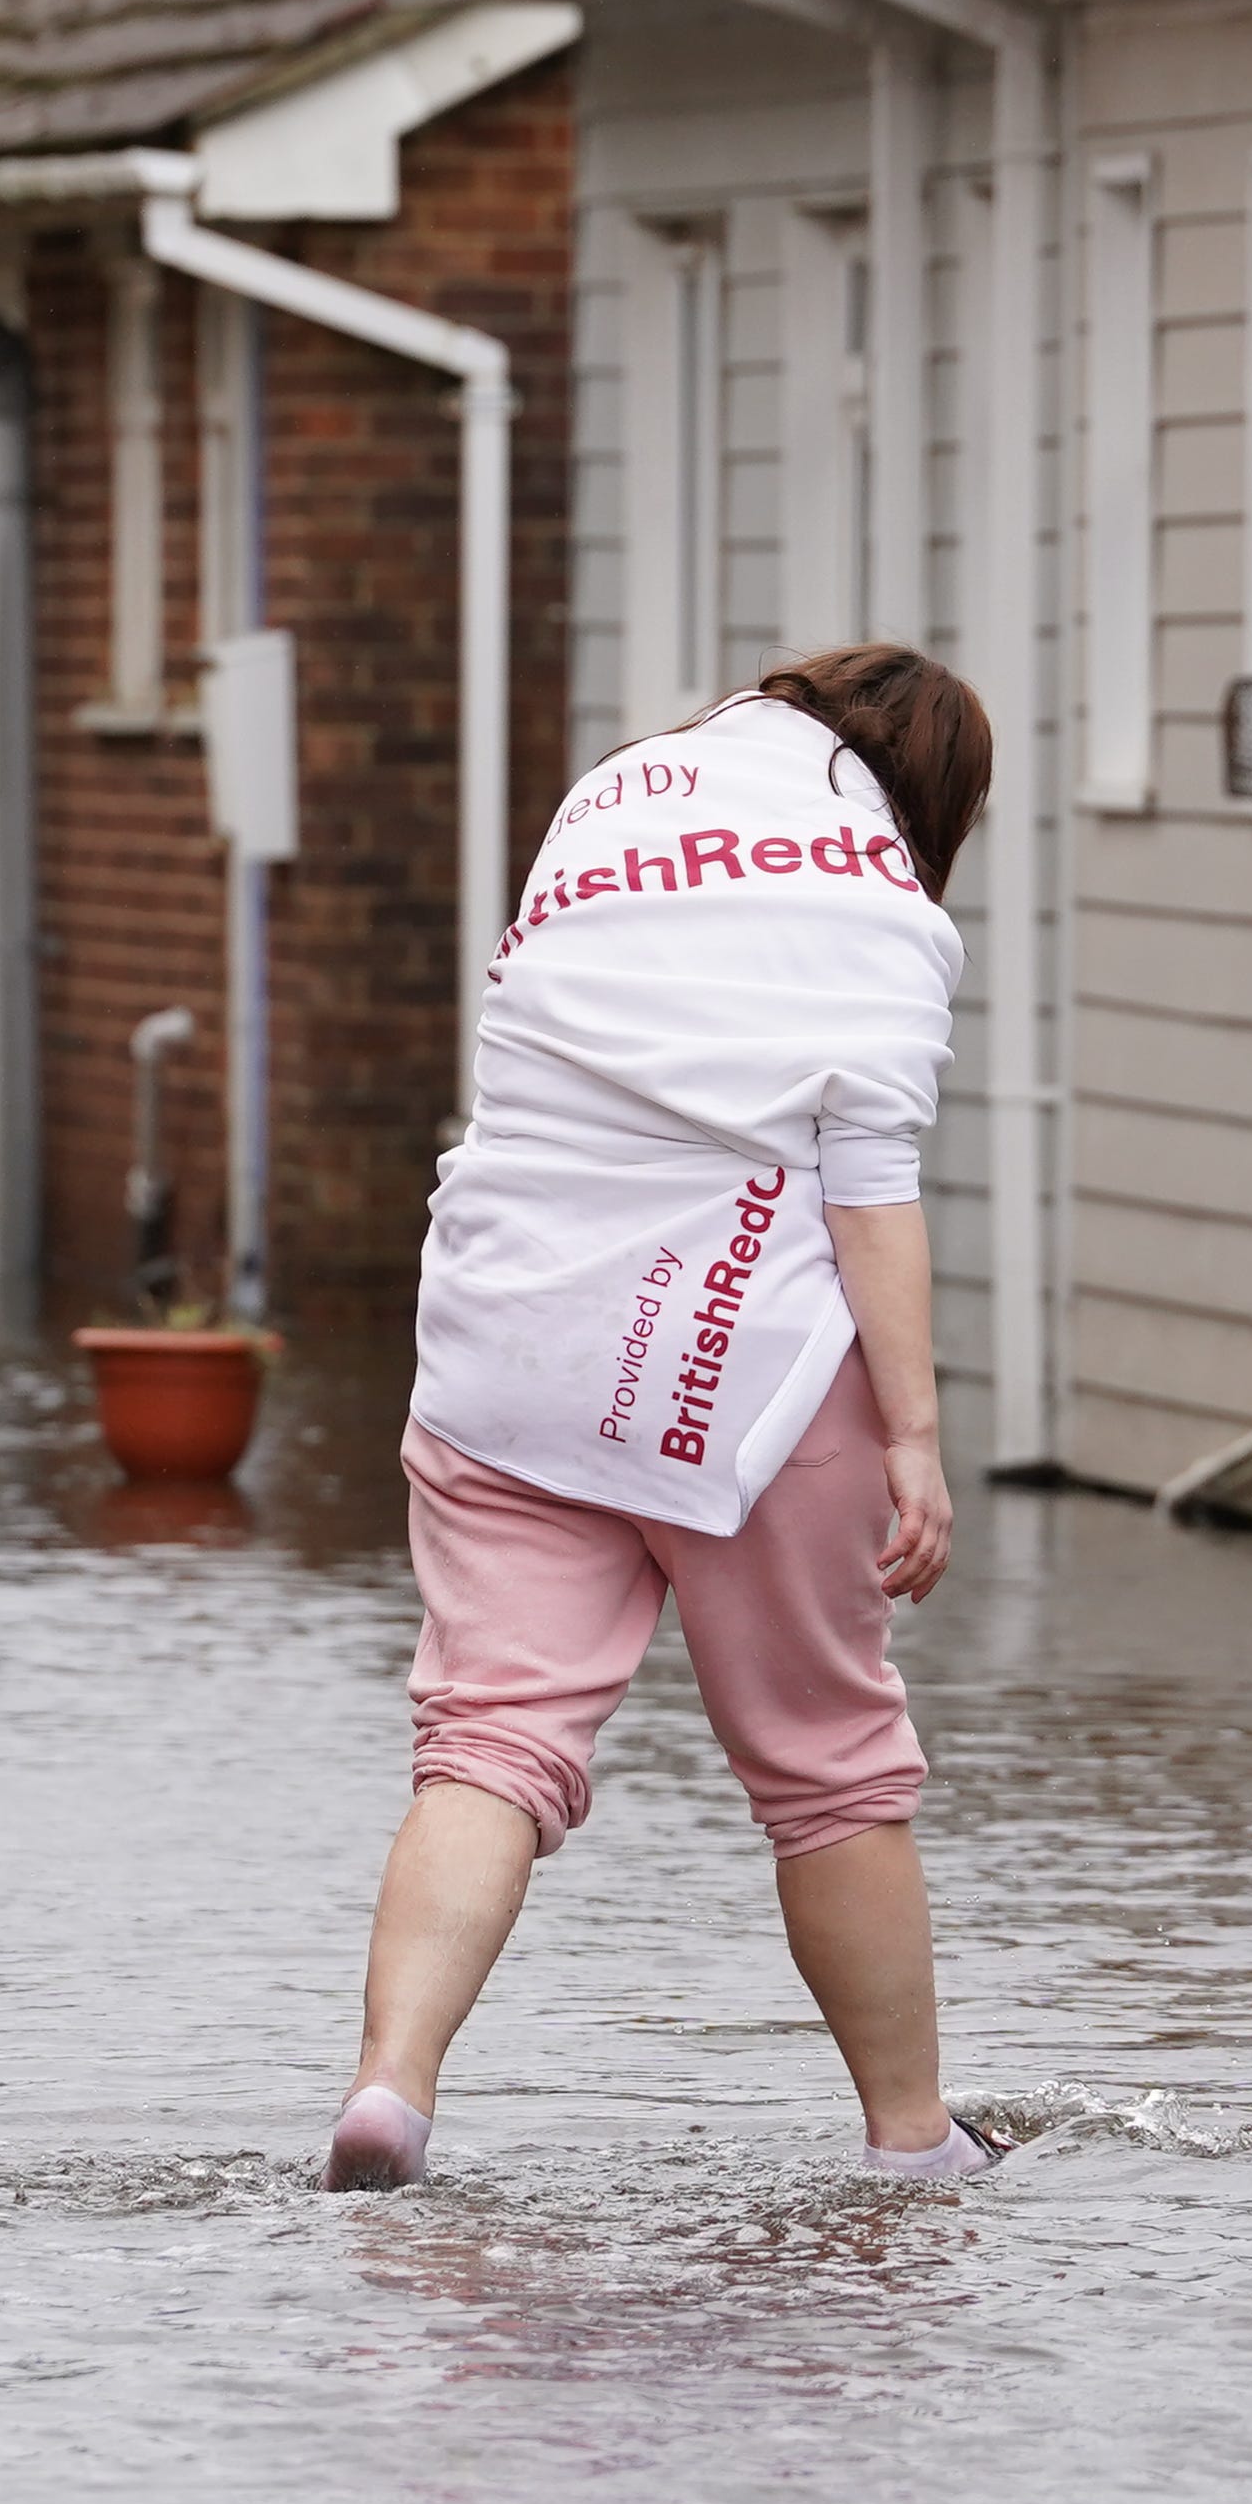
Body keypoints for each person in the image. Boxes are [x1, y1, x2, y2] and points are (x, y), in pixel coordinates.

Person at [322, 643, 1005, 2192]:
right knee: (831, 1768)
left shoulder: (610, 805)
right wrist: (914, 1434)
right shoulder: (881, 909)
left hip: (510, 1342)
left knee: (487, 1743)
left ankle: (390, 2086)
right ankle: (913, 2140)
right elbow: (869, 1190)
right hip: (738, 1375)